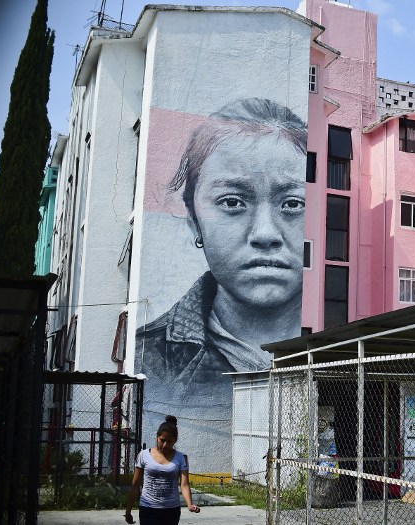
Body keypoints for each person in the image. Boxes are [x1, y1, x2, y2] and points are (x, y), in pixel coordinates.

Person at [136, 98, 307, 471]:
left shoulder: (338, 355)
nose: (265, 234)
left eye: (293, 203)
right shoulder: (149, 355)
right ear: (194, 220)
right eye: (232, 202)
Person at [125, 415, 200, 524]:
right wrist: (128, 511)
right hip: (148, 508)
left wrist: (189, 504)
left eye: (169, 442)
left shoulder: (181, 458)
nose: (165, 445)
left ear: (175, 441)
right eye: (162, 440)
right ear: (157, 437)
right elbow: (135, 484)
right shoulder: (144, 455)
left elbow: (184, 484)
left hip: (171, 510)